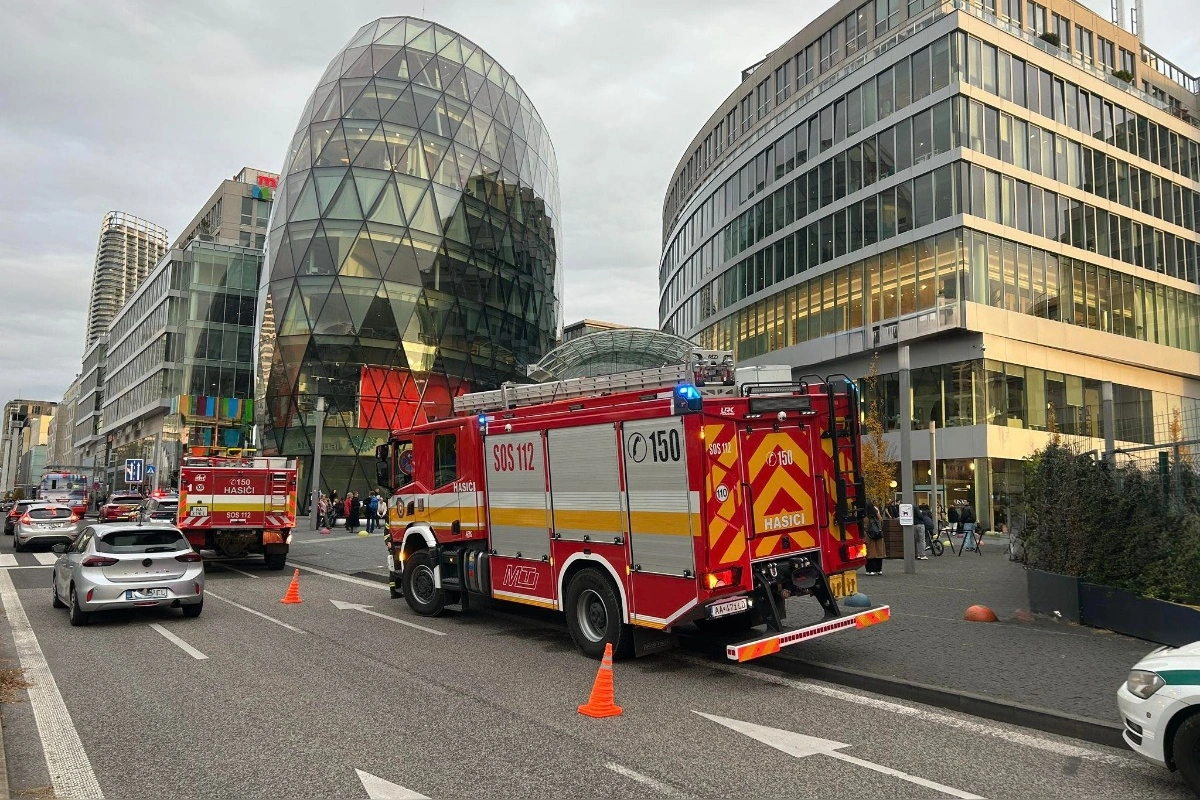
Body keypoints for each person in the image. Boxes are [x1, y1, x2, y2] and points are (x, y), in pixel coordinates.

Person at [863, 500, 885, 575]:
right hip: (879, 536)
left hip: (869, 537)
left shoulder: (865, 517)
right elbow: (882, 524)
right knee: (879, 552)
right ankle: (879, 570)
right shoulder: (878, 516)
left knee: (870, 552)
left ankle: (870, 570)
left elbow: (865, 527)